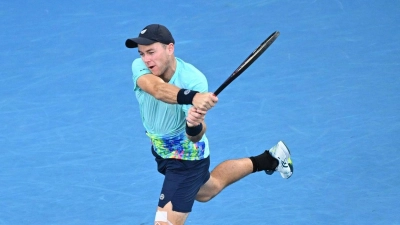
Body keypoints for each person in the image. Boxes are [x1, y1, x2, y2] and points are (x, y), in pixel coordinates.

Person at [125, 24, 293, 225]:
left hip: (186, 159)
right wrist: (193, 98)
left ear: (170, 48)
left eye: (151, 52)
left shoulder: (194, 79)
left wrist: (193, 124)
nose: (146, 59)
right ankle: (269, 159)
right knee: (207, 190)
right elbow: (157, 89)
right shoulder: (140, 67)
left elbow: (195, 135)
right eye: (142, 53)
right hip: (161, 152)